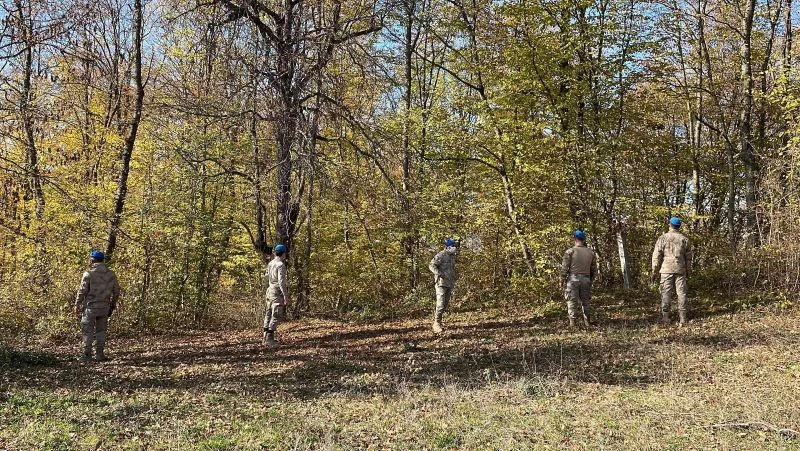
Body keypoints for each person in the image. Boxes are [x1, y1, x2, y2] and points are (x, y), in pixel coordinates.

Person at [74, 250, 121, 362]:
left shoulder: (89, 273)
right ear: (103, 260)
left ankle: (87, 356)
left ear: (92, 260)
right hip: (104, 307)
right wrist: (112, 305)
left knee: (87, 330)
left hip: (90, 308)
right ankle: (100, 355)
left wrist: (77, 304)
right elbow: (117, 291)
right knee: (101, 331)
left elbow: (82, 291)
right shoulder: (111, 274)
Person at [651, 217, 693, 326]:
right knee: (681, 293)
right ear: (679, 226)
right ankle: (683, 319)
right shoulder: (685, 239)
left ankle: (666, 319)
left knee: (666, 293)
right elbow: (689, 258)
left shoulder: (662, 238)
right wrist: (689, 271)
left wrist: (654, 270)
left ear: (669, 224)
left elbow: (656, 256)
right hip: (680, 269)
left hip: (666, 269)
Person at [561, 230, 597, 328]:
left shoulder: (570, 251)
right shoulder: (591, 252)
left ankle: (572, 324)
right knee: (585, 301)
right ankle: (587, 323)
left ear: (575, 238)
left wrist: (561, 280)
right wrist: (591, 280)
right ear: (584, 239)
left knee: (571, 301)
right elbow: (594, 269)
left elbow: (564, 268)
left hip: (573, 279)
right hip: (586, 279)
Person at [429, 238, 459, 333]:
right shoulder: (441, 255)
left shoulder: (452, 257)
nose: (455, 248)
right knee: (440, 304)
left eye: (455, 246)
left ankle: (439, 321)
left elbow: (451, 269)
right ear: (448, 247)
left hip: (449, 283)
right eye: (453, 246)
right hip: (441, 283)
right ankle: (436, 324)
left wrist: (454, 277)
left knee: (445, 304)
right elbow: (431, 265)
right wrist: (439, 273)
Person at [263, 244, 290, 346]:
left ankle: (265, 337)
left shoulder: (270, 263)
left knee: (268, 313)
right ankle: (269, 339)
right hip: (276, 291)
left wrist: (269, 287)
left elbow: (266, 276)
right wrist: (285, 297)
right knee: (276, 314)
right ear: (283, 253)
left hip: (269, 290)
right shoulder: (280, 265)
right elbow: (281, 282)